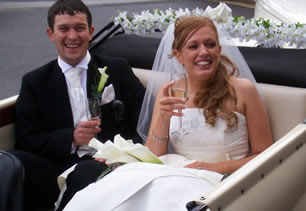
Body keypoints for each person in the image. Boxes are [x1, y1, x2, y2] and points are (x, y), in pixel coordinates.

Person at [62, 16, 273, 211]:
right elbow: (154, 154)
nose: (204, 52)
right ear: (179, 56)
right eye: (193, 46)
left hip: (220, 180)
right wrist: (162, 117)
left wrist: (215, 167)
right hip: (172, 171)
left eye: (210, 44)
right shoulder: (171, 90)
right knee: (110, 194)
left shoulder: (242, 90)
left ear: (219, 50)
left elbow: (265, 156)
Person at [9, 0, 145, 210]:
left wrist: (122, 154)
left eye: (79, 28)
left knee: (85, 173)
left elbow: (144, 120)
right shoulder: (34, 81)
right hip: (57, 164)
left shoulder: (118, 69)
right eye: (63, 28)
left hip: (108, 161)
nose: (72, 36)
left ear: (90, 32)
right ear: (50, 34)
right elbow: (26, 140)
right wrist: (70, 137)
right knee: (9, 164)